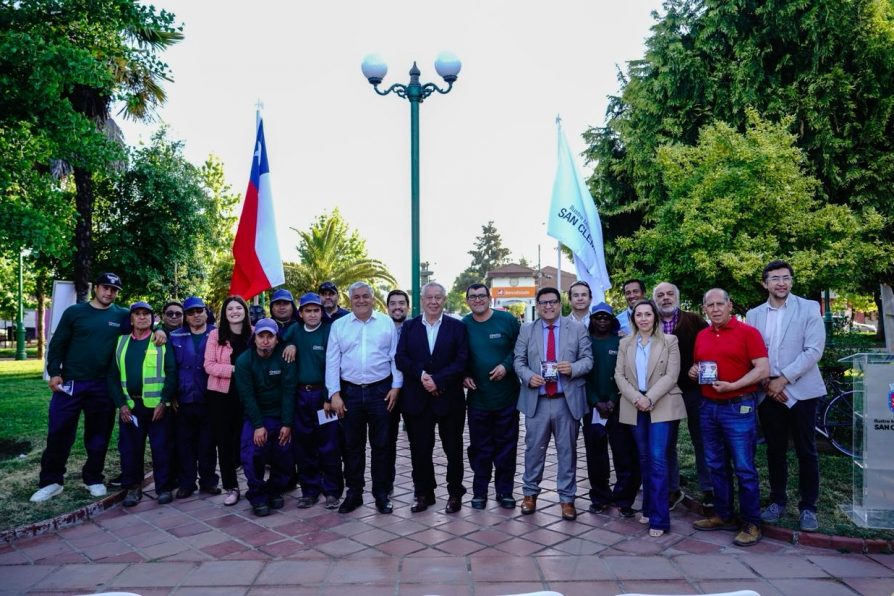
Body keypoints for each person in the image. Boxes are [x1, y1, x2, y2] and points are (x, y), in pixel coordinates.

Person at [31, 273, 128, 503]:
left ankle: (93, 477)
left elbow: (145, 326)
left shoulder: (122, 315)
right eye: (105, 288)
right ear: (96, 287)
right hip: (70, 383)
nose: (109, 293)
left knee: (99, 435)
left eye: (114, 290)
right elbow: (58, 344)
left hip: (103, 385)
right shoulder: (75, 312)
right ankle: (51, 481)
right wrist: (54, 372)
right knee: (59, 433)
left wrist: (161, 330)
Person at [746, 260, 826, 532]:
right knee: (775, 449)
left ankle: (808, 507)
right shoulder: (754, 314)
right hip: (769, 393)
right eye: (775, 278)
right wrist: (769, 382)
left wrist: (783, 380)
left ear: (791, 281)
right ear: (764, 283)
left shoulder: (809, 308)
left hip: (802, 391)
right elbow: (752, 353)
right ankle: (777, 500)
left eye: (786, 278)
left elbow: (813, 351)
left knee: (807, 450)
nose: (781, 283)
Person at [690, 288, 769, 547]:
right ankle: (724, 515)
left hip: (738, 407)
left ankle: (752, 522)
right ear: (704, 309)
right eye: (709, 305)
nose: (715, 309)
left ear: (729, 305)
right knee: (715, 464)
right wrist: (693, 371)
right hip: (708, 406)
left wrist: (733, 386)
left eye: (719, 304)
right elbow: (699, 366)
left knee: (744, 467)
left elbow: (762, 369)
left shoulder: (749, 333)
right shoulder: (702, 335)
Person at [514, 286, 592, 520]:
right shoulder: (527, 330)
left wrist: (573, 368)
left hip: (565, 401)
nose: (548, 306)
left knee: (567, 452)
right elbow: (518, 360)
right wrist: (528, 376)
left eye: (553, 302)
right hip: (536, 400)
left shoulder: (577, 329)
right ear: (537, 306)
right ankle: (529, 494)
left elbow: (588, 360)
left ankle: (567, 499)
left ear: (560, 304)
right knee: (533, 452)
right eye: (543, 302)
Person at [325, 281, 402, 514]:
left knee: (382, 445)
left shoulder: (386, 323)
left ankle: (381, 493)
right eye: (356, 297)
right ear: (350, 300)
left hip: (381, 391)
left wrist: (397, 386)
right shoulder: (339, 326)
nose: (361, 300)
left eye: (365, 296)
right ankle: (354, 493)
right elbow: (332, 360)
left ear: (372, 298)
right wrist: (334, 393)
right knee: (352, 447)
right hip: (349, 393)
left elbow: (394, 357)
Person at [396, 282, 469, 513]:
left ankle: (455, 493)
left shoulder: (457, 327)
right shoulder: (409, 327)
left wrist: (438, 379)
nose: (434, 302)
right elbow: (401, 358)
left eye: (438, 297)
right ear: (422, 300)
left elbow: (462, 360)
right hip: (417, 401)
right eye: (429, 297)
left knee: (453, 450)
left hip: (449, 399)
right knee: (420, 450)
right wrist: (422, 376)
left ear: (444, 300)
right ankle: (423, 493)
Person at [614, 300, 685, 538]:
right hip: (635, 405)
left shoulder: (669, 341)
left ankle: (660, 518)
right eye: (638, 315)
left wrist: (649, 398)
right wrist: (637, 398)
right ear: (633, 319)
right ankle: (647, 507)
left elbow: (672, 375)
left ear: (655, 317)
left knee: (657, 459)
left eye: (648, 314)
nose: (643, 318)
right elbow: (619, 375)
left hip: (661, 403)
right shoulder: (625, 343)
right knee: (643, 459)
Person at [108, 301, 177, 507]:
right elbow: (112, 376)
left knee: (161, 448)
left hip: (157, 407)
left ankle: (163, 488)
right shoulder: (120, 342)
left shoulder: (160, 341)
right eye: (137, 314)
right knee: (130, 449)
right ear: (131, 319)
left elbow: (172, 372)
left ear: (152, 318)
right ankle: (133, 488)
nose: (142, 317)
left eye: (146, 314)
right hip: (130, 407)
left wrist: (164, 402)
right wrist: (121, 404)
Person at [653, 281, 712, 509]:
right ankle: (672, 489)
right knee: (667, 443)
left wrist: (700, 367)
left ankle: (709, 489)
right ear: (655, 298)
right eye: (660, 295)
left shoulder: (694, 320)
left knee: (702, 440)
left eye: (670, 293)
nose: (666, 298)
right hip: (664, 394)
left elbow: (709, 348)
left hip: (693, 390)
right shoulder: (651, 322)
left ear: (677, 296)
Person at [462, 283, 521, 510]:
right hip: (478, 399)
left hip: (507, 397)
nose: (477, 300)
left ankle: (504, 491)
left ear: (490, 298)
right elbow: (458, 354)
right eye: (472, 296)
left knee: (507, 446)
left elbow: (520, 349)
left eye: (481, 296)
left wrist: (506, 367)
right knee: (480, 448)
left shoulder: (507, 321)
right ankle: (480, 492)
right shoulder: (463, 325)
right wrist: (463, 375)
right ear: (467, 300)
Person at [282, 292, 343, 510]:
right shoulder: (294, 331)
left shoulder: (329, 331)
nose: (313, 314)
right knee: (304, 444)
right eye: (308, 310)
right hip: (301, 397)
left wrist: (329, 396)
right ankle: (309, 490)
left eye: (316, 310)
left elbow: (334, 365)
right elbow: (275, 339)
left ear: (322, 312)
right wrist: (289, 345)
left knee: (328, 444)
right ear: (301, 313)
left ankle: (332, 491)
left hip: (323, 397)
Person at [583, 302, 640, 518]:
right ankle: (600, 497)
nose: (602, 321)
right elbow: (583, 378)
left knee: (624, 454)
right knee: (596, 455)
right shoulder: (585, 343)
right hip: (593, 408)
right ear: (592, 320)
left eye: (606, 317)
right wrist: (596, 401)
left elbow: (627, 375)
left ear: (612, 320)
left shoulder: (622, 342)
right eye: (597, 317)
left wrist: (614, 401)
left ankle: (624, 499)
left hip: (619, 406)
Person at [235, 318, 296, 517]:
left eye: (270, 336)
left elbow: (289, 391)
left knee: (284, 453)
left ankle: (274, 489)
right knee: (252, 453)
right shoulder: (244, 360)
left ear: (277, 339)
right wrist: (258, 425)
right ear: (255, 338)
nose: (266, 340)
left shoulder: (284, 358)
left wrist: (287, 424)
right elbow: (247, 396)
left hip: (280, 415)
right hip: (256, 417)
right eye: (261, 336)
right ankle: (257, 494)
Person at [169, 296, 220, 499]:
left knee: (207, 443)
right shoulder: (174, 336)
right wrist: (172, 395)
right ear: (186, 316)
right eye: (191, 312)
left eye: (199, 311)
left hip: (208, 398)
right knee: (184, 444)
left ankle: (209, 481)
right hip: (183, 399)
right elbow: (170, 368)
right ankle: (186, 483)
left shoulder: (215, 334)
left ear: (206, 312)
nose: (196, 315)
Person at [205, 295, 253, 506]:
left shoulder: (253, 335)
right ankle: (232, 488)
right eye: (230, 309)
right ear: (224, 313)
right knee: (224, 442)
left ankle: (255, 484)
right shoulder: (215, 335)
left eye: (238, 308)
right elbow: (209, 366)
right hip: (221, 396)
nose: (234, 311)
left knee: (248, 441)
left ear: (245, 311)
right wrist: (236, 370)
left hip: (248, 395)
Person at [385, 289, 411, 495]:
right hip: (389, 392)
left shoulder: (415, 327)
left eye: (401, 303)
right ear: (387, 307)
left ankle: (420, 486)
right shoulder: (382, 328)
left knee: (418, 439)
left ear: (408, 306)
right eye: (393, 303)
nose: (397, 307)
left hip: (413, 392)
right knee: (387, 440)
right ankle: (387, 485)